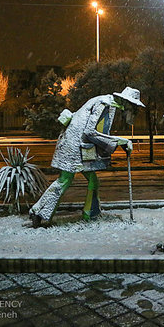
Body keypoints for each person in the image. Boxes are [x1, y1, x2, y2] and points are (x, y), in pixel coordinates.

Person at [29, 87, 144, 227]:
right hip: (73, 147)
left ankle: (90, 214)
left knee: (92, 181)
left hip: (80, 147)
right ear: (126, 102)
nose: (133, 110)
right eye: (133, 106)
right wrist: (120, 141)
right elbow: (90, 131)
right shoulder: (104, 103)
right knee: (64, 180)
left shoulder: (109, 104)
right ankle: (38, 212)